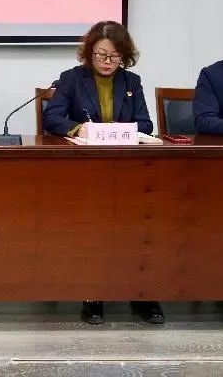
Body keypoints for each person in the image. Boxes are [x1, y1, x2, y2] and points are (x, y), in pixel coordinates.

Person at [42, 20, 162, 326]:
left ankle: (143, 293)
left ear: (124, 55)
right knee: (93, 227)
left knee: (142, 226)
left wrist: (117, 130)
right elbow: (52, 118)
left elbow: (146, 124)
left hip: (128, 169)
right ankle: (93, 293)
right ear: (89, 53)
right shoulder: (71, 79)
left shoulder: (132, 81)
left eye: (114, 56)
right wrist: (78, 128)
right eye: (100, 55)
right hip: (85, 170)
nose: (107, 62)